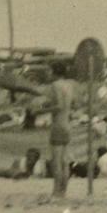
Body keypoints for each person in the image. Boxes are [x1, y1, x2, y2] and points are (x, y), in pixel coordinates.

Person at [44, 61, 80, 200]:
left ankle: (55, 193)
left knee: (56, 161)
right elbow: (73, 104)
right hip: (67, 124)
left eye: (49, 71)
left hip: (58, 124)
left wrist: (41, 110)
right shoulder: (69, 85)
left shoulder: (55, 85)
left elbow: (58, 106)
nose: (48, 73)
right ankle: (63, 192)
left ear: (54, 71)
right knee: (65, 161)